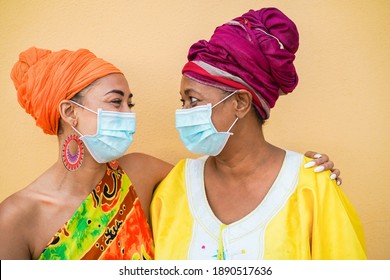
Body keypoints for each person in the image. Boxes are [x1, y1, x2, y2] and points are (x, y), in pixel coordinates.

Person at [0, 46, 339, 260]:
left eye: (129, 104)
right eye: (115, 102)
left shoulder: (140, 173)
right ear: (70, 113)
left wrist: (301, 174)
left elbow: (228, 177)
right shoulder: (15, 218)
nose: (128, 116)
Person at [150, 7, 366, 260]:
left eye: (194, 100)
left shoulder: (311, 187)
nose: (184, 112)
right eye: (183, 101)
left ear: (240, 102)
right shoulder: (174, 187)